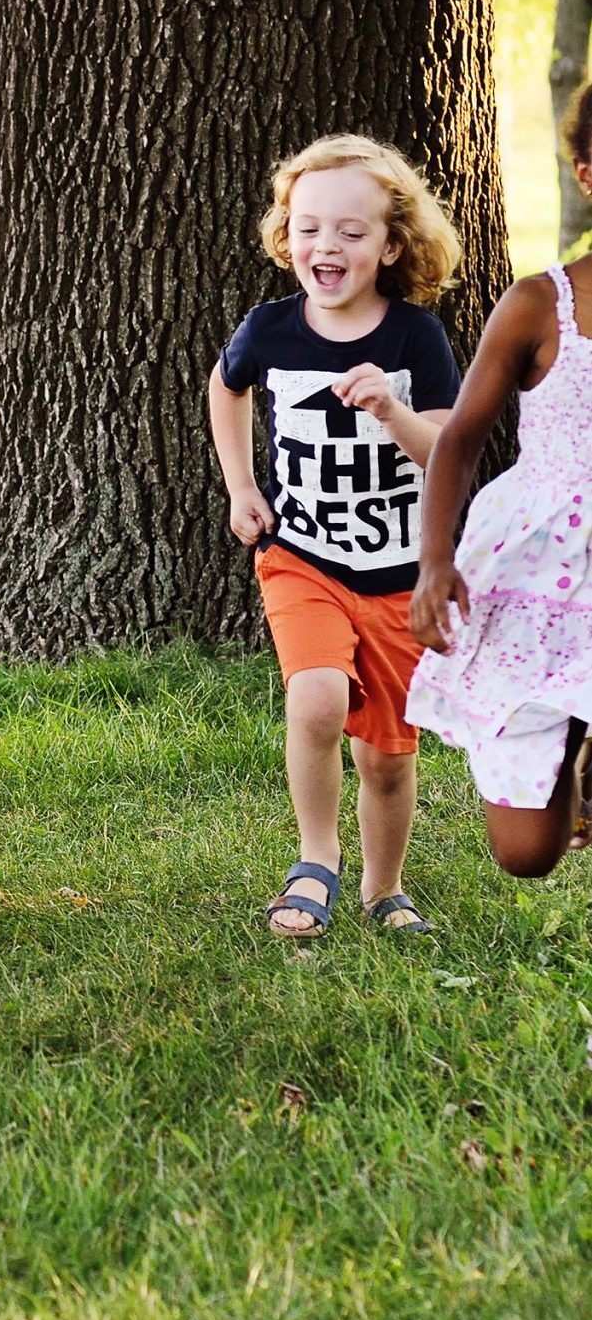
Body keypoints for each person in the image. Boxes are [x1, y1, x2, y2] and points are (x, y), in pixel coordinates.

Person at [208, 135, 462, 938]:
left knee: (386, 756)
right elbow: (224, 388)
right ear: (286, 235)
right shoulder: (270, 328)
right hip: (302, 557)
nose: (328, 245)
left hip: (396, 571)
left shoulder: (414, 339)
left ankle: (383, 889)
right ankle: (314, 859)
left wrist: (391, 409)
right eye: (309, 227)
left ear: (391, 244)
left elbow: (448, 449)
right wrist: (241, 486)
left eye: (352, 232)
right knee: (313, 697)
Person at [406, 97, 592, 877]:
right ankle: (568, 758)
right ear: (586, 176)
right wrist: (433, 561)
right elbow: (457, 440)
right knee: (526, 855)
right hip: (539, 569)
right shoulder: (540, 305)